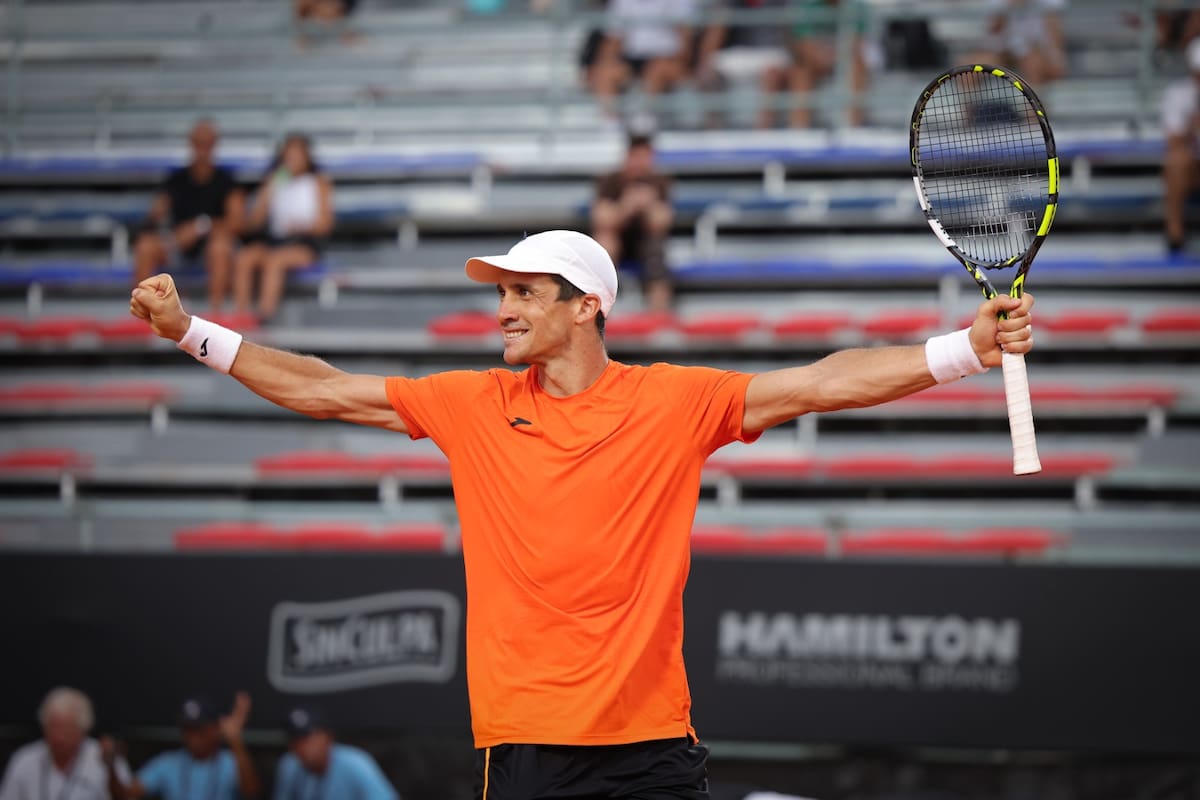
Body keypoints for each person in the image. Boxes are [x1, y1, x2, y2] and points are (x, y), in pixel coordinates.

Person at [128, 229, 1035, 799]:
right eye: (501, 293)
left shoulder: (674, 400)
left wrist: (966, 346)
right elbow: (325, 390)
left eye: (525, 292)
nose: (504, 310)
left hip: (650, 747)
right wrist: (192, 333)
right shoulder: (473, 400)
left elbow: (821, 382)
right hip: (525, 747)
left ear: (587, 305)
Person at [132, 120, 243, 312]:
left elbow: (237, 223)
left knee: (220, 248)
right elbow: (155, 216)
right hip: (177, 244)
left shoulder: (227, 181)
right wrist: (173, 236)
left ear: (215, 145)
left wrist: (201, 227)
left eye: (207, 143)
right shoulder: (176, 180)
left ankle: (214, 312)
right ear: (190, 144)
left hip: (209, 248)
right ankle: (144, 312)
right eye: (198, 143)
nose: (202, 149)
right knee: (145, 246)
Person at [233, 133, 333, 323]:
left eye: (297, 155)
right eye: (289, 155)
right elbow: (254, 222)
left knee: (275, 260)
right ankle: (241, 315)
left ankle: (264, 315)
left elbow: (325, 224)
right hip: (275, 240)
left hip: (304, 241)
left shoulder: (318, 182)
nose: (292, 160)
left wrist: (302, 226)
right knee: (246, 257)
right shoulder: (276, 180)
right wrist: (268, 192)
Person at [104, 693, 260, 800]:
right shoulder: (168, 762)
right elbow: (124, 794)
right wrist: (111, 765)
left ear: (215, 729)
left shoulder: (231, 762)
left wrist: (235, 741)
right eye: (187, 730)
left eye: (199, 730)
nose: (193, 737)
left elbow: (252, 793)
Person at [591, 133, 674, 312]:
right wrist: (626, 207)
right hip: (619, 239)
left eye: (645, 157)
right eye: (636, 156)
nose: (640, 162)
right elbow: (601, 220)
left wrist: (649, 205)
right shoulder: (610, 181)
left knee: (656, 253)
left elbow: (662, 223)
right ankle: (599, 312)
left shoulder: (659, 182)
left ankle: (658, 315)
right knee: (605, 242)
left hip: (646, 242)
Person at [0, 687, 131, 800]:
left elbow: (125, 797)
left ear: (83, 729)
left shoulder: (104, 757)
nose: (59, 737)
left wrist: (110, 768)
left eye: (67, 729)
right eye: (53, 727)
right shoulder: (24, 759)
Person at [694, 0, 795, 129]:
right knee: (708, 70)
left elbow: (790, 29)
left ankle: (762, 133)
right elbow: (717, 28)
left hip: (773, 51)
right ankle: (714, 132)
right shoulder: (729, 4)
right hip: (741, 51)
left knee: (772, 73)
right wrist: (704, 63)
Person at [589, 0, 697, 121]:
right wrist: (603, 64)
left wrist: (681, 63)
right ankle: (609, 124)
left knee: (656, 70)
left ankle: (645, 121)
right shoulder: (621, 3)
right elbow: (613, 41)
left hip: (667, 58)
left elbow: (686, 41)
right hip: (633, 59)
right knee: (605, 72)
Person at [273, 707, 398, 800]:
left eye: (308, 739)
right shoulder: (289, 764)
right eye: (296, 740)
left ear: (328, 738)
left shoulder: (356, 763)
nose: (303, 747)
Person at [788, 0, 871, 128]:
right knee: (801, 70)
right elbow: (804, 46)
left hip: (846, 60)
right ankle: (799, 130)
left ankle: (852, 127)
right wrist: (825, 58)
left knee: (857, 65)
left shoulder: (858, 8)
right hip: (817, 62)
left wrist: (834, 57)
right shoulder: (807, 8)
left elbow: (856, 45)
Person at [972, 0, 1067, 90]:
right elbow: (993, 32)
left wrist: (1055, 59)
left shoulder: (1048, 6)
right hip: (1003, 51)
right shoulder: (998, 4)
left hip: (1034, 51)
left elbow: (1054, 31)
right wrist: (1006, 10)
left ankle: (1034, 104)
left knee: (1033, 64)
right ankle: (967, 106)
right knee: (971, 68)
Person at [1162, 37, 1200, 254]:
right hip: (1193, 167)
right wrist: (1192, 128)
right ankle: (1174, 232)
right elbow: (1173, 141)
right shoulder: (1178, 95)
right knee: (1176, 160)